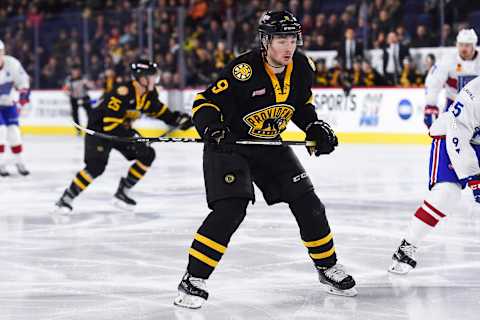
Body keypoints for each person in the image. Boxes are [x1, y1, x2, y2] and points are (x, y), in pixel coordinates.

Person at [173, 10, 357, 310]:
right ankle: (193, 279)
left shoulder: (302, 66)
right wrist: (212, 128)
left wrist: (313, 126)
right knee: (232, 209)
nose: (288, 46)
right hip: (230, 146)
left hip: (269, 143)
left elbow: (300, 104)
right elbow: (205, 102)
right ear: (265, 40)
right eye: (280, 39)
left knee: (308, 203)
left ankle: (327, 267)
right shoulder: (243, 70)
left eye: (292, 39)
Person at [53, 59, 193, 213]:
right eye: (153, 76)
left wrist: (180, 119)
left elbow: (161, 112)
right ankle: (66, 198)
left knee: (147, 155)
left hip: (120, 131)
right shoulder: (123, 92)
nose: (155, 80)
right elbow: (110, 125)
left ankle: (123, 191)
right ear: (142, 78)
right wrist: (135, 138)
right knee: (96, 167)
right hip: (100, 131)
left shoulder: (149, 94)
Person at [389, 75, 480, 274]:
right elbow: (457, 133)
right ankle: (407, 247)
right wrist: (474, 178)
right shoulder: (474, 92)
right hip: (452, 139)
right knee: (446, 194)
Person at [423, 29, 480, 129]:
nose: (463, 48)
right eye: (461, 45)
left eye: (467, 45)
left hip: (477, 108)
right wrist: (430, 105)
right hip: (454, 108)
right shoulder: (448, 60)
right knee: (449, 136)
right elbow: (433, 82)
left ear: (474, 46)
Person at [0, 39, 30, 177]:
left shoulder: (12, 64)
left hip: (8, 104)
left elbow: (23, 83)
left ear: (3, 53)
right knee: (1, 132)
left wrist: (23, 100)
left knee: (14, 134)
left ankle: (20, 161)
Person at [63, 65, 93, 135]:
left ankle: (91, 127)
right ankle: (78, 130)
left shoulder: (83, 78)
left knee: (90, 113)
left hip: (84, 97)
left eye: (77, 71)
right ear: (72, 71)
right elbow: (65, 89)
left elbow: (91, 86)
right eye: (74, 71)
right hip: (74, 98)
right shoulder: (69, 79)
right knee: (75, 115)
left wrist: (87, 83)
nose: (76, 72)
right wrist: (69, 93)